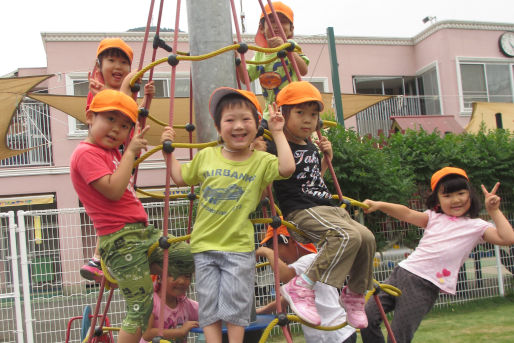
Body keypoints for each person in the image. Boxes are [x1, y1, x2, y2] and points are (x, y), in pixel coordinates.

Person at [160, 87, 295, 343]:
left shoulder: (261, 160)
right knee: (209, 304)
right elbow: (179, 177)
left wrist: (277, 132)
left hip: (237, 247)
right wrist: (168, 152)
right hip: (204, 245)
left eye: (246, 119)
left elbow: (287, 168)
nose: (238, 126)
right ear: (218, 127)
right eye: (229, 120)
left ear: (256, 125)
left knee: (236, 303)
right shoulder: (207, 156)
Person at [70, 89, 186, 343]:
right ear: (90, 117)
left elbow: (136, 129)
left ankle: (139, 271)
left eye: (123, 125)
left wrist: (146, 102)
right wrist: (130, 152)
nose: (116, 129)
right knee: (140, 306)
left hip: (142, 233)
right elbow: (113, 190)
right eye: (109, 119)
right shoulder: (85, 153)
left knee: (186, 258)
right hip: (120, 239)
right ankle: (124, 271)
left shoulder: (111, 152)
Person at [360, 166, 514, 343]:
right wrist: (380, 205)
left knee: (398, 336)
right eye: (447, 196)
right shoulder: (433, 217)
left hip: (424, 285)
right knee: (366, 316)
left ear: (470, 195)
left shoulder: (477, 226)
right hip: (401, 273)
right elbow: (407, 213)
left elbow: (508, 238)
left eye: (461, 193)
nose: (455, 200)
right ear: (438, 201)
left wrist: (494, 211)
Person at [267, 81, 376, 329]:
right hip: (301, 210)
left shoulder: (311, 147)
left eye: (314, 115)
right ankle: (302, 284)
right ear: (283, 114)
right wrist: (273, 134)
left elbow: (313, 180)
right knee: (346, 236)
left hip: (325, 206)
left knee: (366, 237)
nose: (308, 120)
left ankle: (354, 295)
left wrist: (327, 159)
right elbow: (282, 174)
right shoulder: (278, 144)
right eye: (300, 113)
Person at [80, 37, 154, 283]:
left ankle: (100, 260)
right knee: (112, 212)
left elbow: (133, 118)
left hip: (123, 155)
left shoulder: (119, 93)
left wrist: (146, 100)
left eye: (124, 61)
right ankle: (98, 259)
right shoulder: (99, 95)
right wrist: (124, 87)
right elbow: (108, 118)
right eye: (111, 60)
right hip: (111, 160)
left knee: (120, 211)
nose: (118, 66)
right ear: (99, 66)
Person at [256, 223, 357, 343]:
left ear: (291, 241)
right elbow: (286, 300)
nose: (276, 256)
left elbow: (285, 276)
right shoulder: (311, 263)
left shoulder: (307, 260)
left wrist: (266, 252)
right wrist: (259, 311)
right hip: (333, 334)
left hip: (333, 335)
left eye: (275, 248)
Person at [237, 1, 308, 121]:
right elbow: (246, 78)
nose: (276, 25)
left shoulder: (291, 46)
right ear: (261, 28)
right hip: (270, 113)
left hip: (292, 109)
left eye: (283, 22)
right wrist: (237, 61)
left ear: (291, 29)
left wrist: (286, 49)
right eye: (272, 21)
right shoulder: (260, 53)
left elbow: (303, 70)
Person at [140, 258, 198, 343]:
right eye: (174, 274)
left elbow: (207, 312)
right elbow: (147, 334)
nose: (182, 281)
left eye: (187, 276)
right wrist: (179, 331)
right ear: (159, 278)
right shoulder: (151, 301)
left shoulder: (185, 303)